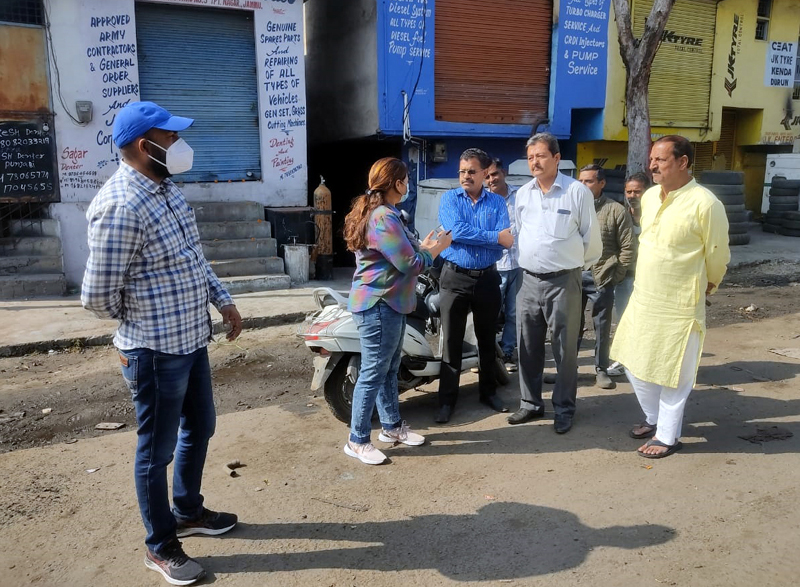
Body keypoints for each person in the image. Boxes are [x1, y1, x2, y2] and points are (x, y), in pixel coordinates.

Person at [81, 101, 243, 586]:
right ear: (138, 145)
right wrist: (141, 327)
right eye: (169, 137)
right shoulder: (120, 205)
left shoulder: (167, 190)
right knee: (156, 452)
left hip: (193, 340)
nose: (178, 145)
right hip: (153, 352)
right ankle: (161, 546)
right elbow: (95, 297)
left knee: (202, 427)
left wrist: (223, 301)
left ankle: (188, 511)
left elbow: (193, 259)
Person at [611, 136, 730, 458]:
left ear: (683, 162)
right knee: (631, 360)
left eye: (660, 160)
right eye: (652, 159)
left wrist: (710, 283)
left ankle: (667, 436)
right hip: (644, 296)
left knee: (674, 371)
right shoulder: (649, 197)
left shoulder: (706, 204)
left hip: (680, 302)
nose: (652, 166)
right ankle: (654, 417)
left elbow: (717, 254)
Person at [343, 157, 452, 464]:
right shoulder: (382, 218)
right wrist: (435, 251)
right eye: (405, 179)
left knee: (390, 368)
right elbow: (410, 264)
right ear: (396, 183)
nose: (408, 185)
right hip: (378, 304)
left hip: (390, 303)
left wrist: (424, 245)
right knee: (374, 372)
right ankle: (357, 439)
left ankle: (391, 427)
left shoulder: (389, 214)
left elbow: (407, 251)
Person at [507, 133, 601, 434]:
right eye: (531, 156)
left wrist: (569, 267)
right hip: (528, 281)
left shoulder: (576, 193)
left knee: (564, 349)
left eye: (541, 156)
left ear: (557, 158)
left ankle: (564, 408)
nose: (535, 161)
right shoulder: (523, 194)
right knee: (528, 346)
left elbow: (592, 242)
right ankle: (531, 404)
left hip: (564, 282)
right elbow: (520, 234)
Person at [436, 148, 514, 423]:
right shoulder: (449, 199)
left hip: (488, 278)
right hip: (454, 278)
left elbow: (508, 238)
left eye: (471, 171)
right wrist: (492, 237)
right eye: (462, 171)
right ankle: (446, 401)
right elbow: (455, 231)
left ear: (484, 173)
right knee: (452, 342)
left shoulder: (496, 203)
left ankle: (488, 393)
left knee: (486, 340)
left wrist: (480, 237)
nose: (466, 176)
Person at [577, 164, 635, 390]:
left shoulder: (615, 210)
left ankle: (601, 370)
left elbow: (628, 247)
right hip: (573, 275)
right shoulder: (572, 208)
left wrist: (616, 274)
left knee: (601, 326)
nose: (583, 186)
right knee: (571, 325)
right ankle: (568, 369)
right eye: (580, 181)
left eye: (589, 181)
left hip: (601, 276)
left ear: (602, 183)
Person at [607, 172, 650, 377]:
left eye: (637, 191)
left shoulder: (657, 216)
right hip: (626, 278)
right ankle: (623, 361)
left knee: (648, 322)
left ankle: (646, 363)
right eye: (629, 191)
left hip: (651, 280)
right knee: (625, 321)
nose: (632, 195)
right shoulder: (619, 214)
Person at [486, 157, 521, 372]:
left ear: (504, 172)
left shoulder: (521, 196)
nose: (491, 180)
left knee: (514, 313)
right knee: (489, 313)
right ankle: (486, 355)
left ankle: (507, 353)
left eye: (495, 174)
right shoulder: (483, 200)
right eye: (487, 176)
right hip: (493, 267)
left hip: (518, 264)